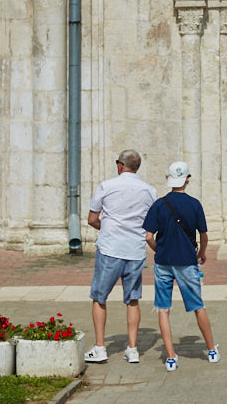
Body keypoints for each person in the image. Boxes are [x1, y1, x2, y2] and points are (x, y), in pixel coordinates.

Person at [143, 161, 218, 371]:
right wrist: (202, 253)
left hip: (163, 263)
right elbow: (203, 235)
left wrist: (159, 249)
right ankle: (211, 350)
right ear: (187, 179)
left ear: (168, 179)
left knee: (163, 309)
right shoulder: (195, 204)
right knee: (197, 306)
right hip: (187, 261)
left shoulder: (159, 204)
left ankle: (171, 357)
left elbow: (148, 236)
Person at [84, 149, 157, 364]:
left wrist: (106, 227)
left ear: (119, 165)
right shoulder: (149, 191)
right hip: (135, 251)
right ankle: (132, 349)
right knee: (132, 299)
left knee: (99, 297)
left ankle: (99, 348)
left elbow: (91, 218)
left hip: (110, 248)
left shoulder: (107, 186)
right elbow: (153, 222)